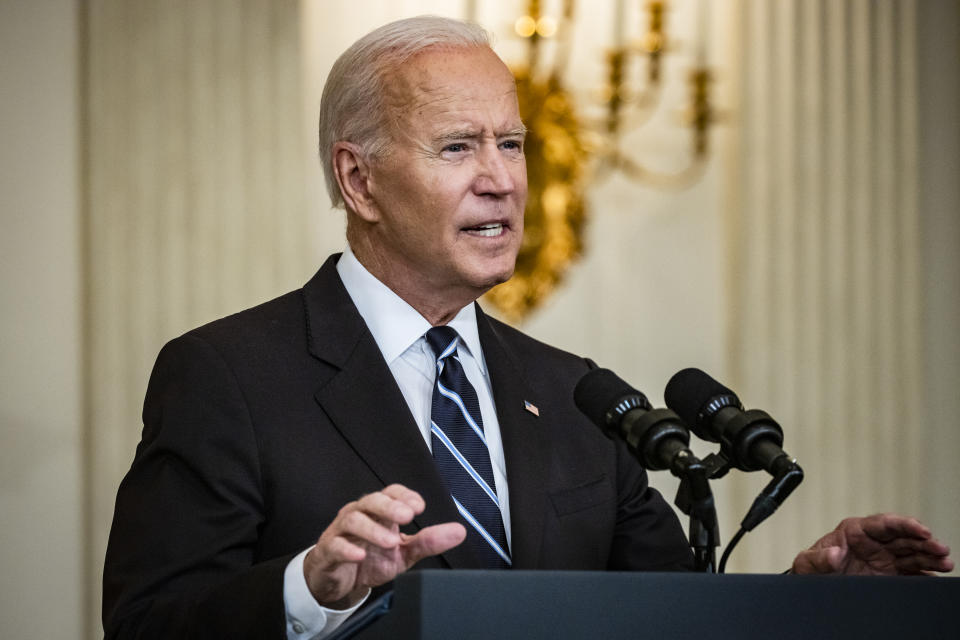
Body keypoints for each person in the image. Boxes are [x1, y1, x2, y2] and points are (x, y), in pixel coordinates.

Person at [102, 15, 953, 640]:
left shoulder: (575, 390)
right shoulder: (227, 374)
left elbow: (672, 615)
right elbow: (149, 624)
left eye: (511, 144)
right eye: (457, 148)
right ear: (359, 182)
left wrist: (812, 594)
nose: (502, 180)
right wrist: (310, 589)